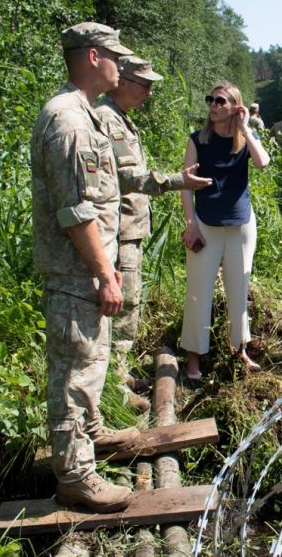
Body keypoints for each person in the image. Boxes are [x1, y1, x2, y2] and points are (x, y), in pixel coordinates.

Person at [30, 22, 137, 512]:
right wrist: (104, 273)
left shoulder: (85, 114)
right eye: (115, 55)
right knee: (76, 371)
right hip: (78, 273)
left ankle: (91, 434)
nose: (122, 65)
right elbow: (75, 211)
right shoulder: (69, 120)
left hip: (86, 270)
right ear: (93, 57)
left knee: (91, 361)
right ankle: (75, 476)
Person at [95, 56, 212, 411]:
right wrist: (180, 182)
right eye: (145, 85)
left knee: (130, 303)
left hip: (128, 229)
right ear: (123, 82)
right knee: (123, 305)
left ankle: (118, 372)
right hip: (118, 231)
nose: (149, 92)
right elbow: (129, 176)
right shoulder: (107, 120)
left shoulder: (121, 119)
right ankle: (114, 387)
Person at [180, 81, 271, 380]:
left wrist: (245, 128)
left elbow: (263, 163)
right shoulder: (197, 140)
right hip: (206, 223)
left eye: (221, 101)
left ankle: (239, 349)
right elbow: (186, 187)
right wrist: (191, 224)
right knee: (198, 291)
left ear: (235, 107)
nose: (214, 105)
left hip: (241, 224)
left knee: (238, 288)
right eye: (211, 100)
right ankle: (194, 358)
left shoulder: (244, 139)